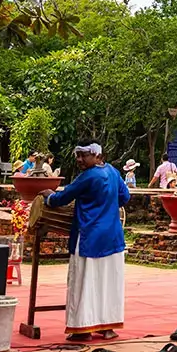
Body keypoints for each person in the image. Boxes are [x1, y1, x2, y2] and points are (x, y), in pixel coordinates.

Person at [43, 143, 130, 341]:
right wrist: (106, 205)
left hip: (89, 236)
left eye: (83, 156)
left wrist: (49, 196)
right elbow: (125, 197)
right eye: (78, 156)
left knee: (84, 282)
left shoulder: (88, 176)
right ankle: (108, 328)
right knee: (109, 283)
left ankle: (82, 330)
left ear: (98, 156)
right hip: (113, 236)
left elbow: (62, 198)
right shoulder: (114, 172)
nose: (79, 160)